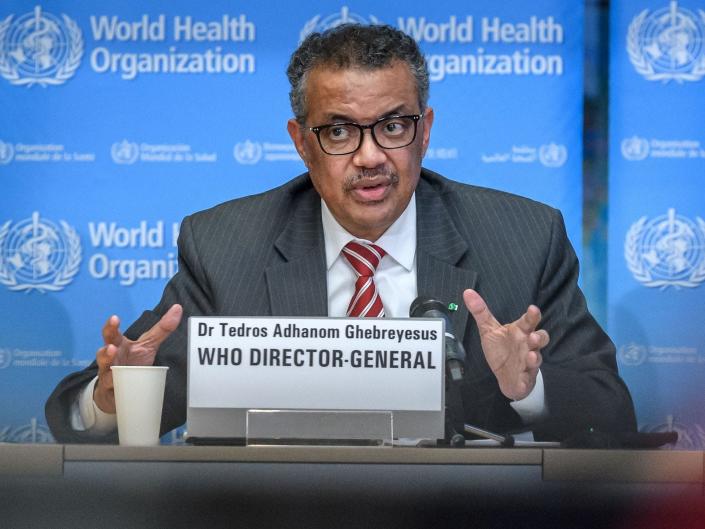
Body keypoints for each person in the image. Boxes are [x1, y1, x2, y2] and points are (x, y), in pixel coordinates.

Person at [45, 24, 636, 444]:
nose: (371, 156)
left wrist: (526, 388)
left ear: (425, 131)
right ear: (301, 142)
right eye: (338, 132)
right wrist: (110, 400)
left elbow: (611, 412)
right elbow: (90, 408)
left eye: (394, 126)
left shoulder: (522, 238)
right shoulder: (226, 247)